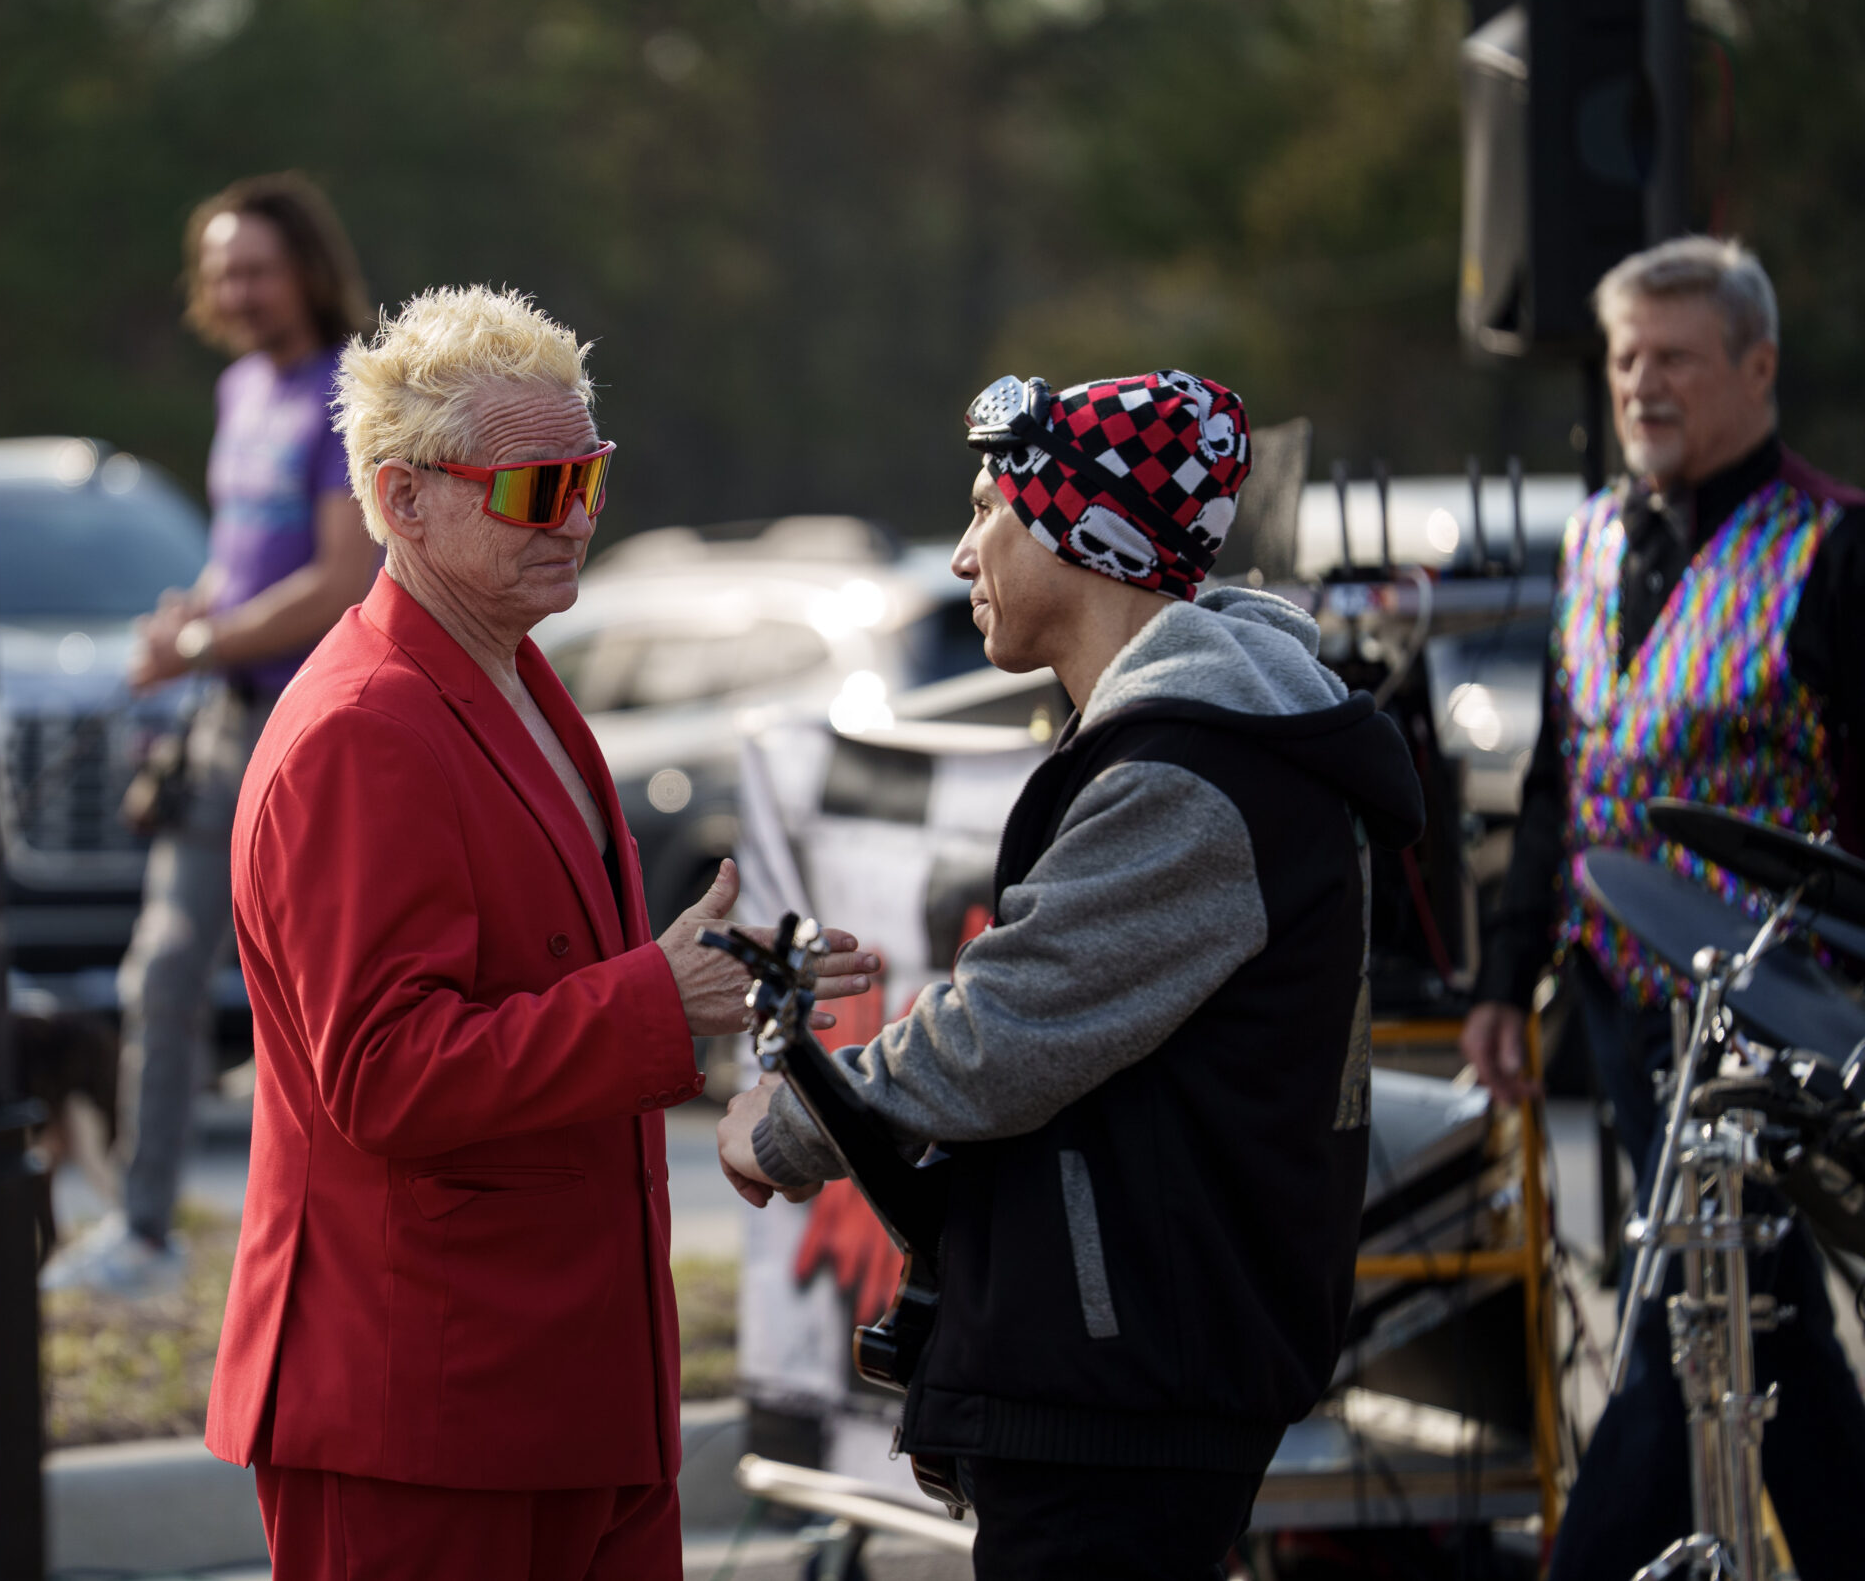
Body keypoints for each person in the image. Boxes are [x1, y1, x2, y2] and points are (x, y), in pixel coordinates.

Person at [204, 286, 878, 1580]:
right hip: (426, 1413)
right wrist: (654, 1001)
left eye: (590, 477)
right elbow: (385, 1075)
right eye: (535, 487)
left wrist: (719, 983)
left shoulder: (505, 669)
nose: (574, 516)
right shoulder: (362, 727)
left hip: (568, 1392)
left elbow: (545, 982)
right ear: (402, 500)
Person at [718, 369, 1424, 1581]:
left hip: (1127, 1386)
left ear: (1077, 533)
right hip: (1127, 1372)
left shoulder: (1192, 777)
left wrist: (788, 1123)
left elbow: (1004, 1030)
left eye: (986, 510)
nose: (961, 556)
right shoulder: (1194, 745)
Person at [1457, 236, 1865, 1580]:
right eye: (1628, 356)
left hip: (1773, 1024)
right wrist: (1503, 977)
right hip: (1621, 1004)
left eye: (1675, 357)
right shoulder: (1591, 536)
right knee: (1758, 1330)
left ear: (1757, 366)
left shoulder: (1832, 546)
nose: (1642, 383)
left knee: (1692, 1310)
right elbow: (1561, 773)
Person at [43, 174, 384, 1295]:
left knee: (333, 984)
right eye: (221, 271)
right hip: (222, 719)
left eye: (257, 270)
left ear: (308, 272)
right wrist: (190, 618)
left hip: (318, 723)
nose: (236, 291)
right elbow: (245, 562)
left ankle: (345, 1237)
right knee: (166, 968)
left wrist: (202, 642)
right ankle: (144, 1230)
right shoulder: (242, 388)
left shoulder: (348, 389)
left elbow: (342, 578)